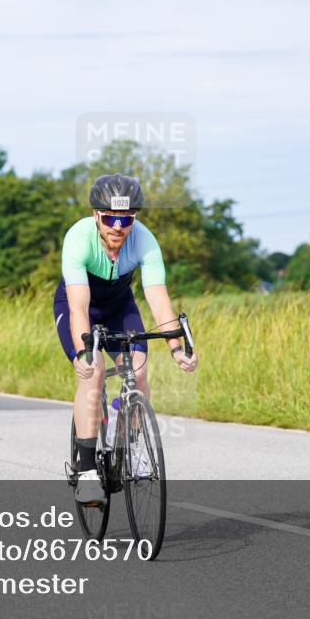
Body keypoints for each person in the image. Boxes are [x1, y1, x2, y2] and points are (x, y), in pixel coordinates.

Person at [54, 173, 197, 504]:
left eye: (126, 219)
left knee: (139, 371)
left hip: (120, 306)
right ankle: (87, 471)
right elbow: (79, 307)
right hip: (80, 307)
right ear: (96, 216)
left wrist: (176, 347)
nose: (117, 227)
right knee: (93, 374)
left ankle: (132, 447)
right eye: (110, 219)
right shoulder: (78, 238)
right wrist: (83, 353)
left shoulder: (144, 240)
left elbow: (158, 298)